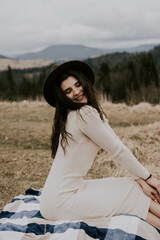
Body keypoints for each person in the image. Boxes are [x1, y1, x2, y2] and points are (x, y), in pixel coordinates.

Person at [40, 60, 160, 230]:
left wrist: (141, 179)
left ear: (84, 82)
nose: (76, 92)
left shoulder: (78, 113)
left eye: (77, 84)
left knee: (132, 187)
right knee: (131, 194)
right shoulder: (83, 114)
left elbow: (114, 140)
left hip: (57, 196)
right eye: (68, 91)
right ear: (62, 96)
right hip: (61, 201)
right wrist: (149, 178)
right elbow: (118, 150)